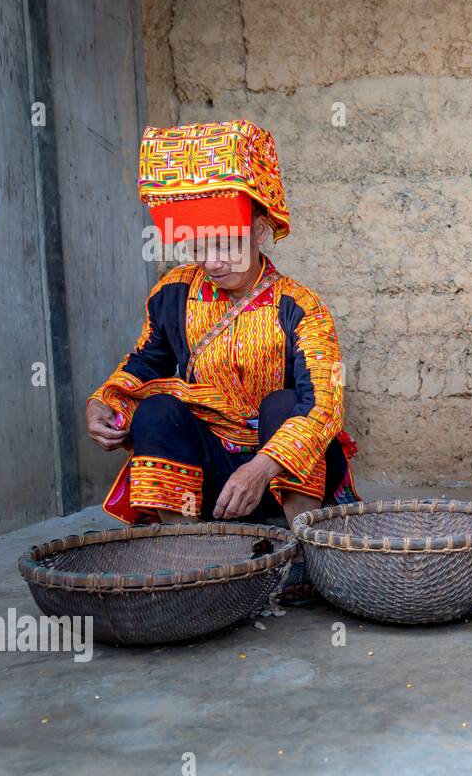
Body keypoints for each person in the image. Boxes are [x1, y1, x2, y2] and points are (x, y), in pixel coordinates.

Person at [86, 120, 357, 602]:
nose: (212, 262)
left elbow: (324, 408)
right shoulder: (173, 293)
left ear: (258, 231)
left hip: (278, 474)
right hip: (210, 471)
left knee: (285, 403)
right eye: (199, 247)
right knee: (157, 410)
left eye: (226, 245)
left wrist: (261, 467)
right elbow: (146, 362)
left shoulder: (299, 306)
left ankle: (307, 554)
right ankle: (187, 554)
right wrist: (104, 402)